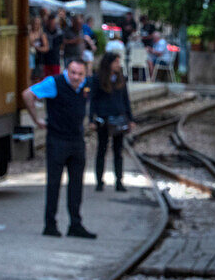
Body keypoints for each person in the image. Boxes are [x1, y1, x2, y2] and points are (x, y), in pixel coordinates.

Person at [21, 59, 96, 239]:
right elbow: (27, 94)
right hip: (57, 140)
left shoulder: (86, 85)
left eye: (80, 74)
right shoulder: (54, 83)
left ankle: (75, 224)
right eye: (73, 73)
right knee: (54, 184)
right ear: (66, 71)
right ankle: (50, 224)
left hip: (77, 140)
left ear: (84, 74)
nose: (76, 77)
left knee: (76, 184)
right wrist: (36, 120)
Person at [89, 52, 133, 192]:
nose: (118, 65)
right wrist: (92, 119)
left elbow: (126, 99)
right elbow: (93, 101)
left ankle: (119, 181)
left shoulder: (121, 79)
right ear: (109, 63)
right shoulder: (98, 79)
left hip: (119, 118)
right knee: (102, 150)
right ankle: (99, 181)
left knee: (118, 151)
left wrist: (130, 118)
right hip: (104, 119)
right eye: (116, 62)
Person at [29, 16, 48, 82]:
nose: (35, 25)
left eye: (37, 24)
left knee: (37, 78)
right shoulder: (29, 33)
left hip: (39, 59)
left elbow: (46, 48)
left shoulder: (42, 34)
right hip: (30, 58)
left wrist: (37, 48)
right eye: (34, 23)